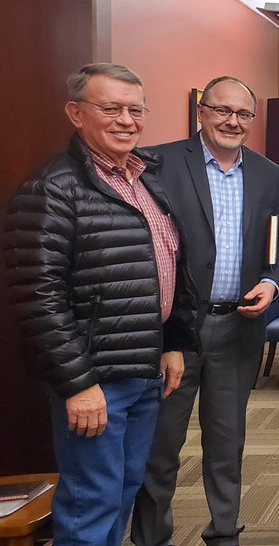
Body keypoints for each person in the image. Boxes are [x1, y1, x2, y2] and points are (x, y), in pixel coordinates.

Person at [2, 63, 195, 546]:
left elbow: (167, 268)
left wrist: (171, 342)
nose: (126, 120)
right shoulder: (53, 188)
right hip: (96, 380)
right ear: (76, 113)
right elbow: (35, 295)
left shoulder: (144, 178)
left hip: (144, 369)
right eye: (110, 108)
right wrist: (77, 383)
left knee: (124, 492)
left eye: (135, 109)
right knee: (91, 502)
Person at [131, 76, 279, 546]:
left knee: (227, 445)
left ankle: (224, 533)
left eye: (243, 114)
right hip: (174, 334)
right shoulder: (157, 163)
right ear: (202, 111)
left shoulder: (267, 173)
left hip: (237, 329)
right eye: (222, 110)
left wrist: (272, 281)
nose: (232, 122)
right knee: (161, 448)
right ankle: (151, 538)